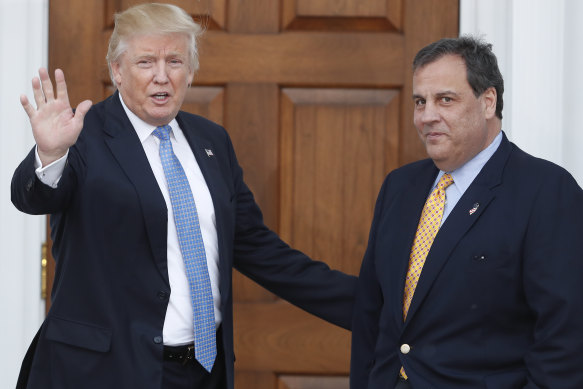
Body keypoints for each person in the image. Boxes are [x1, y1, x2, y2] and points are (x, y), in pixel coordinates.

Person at [12, 3, 356, 389]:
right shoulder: (82, 136)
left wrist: (373, 307)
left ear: (190, 72)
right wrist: (51, 155)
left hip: (202, 372)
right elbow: (34, 198)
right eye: (145, 62)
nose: (162, 76)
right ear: (117, 71)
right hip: (104, 373)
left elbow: (261, 251)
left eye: (174, 61)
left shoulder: (212, 142)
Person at [350, 36, 583, 389]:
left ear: (487, 101)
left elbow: (564, 336)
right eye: (419, 101)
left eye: (445, 99)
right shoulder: (400, 187)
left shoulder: (547, 191)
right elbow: (372, 312)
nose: (427, 116)